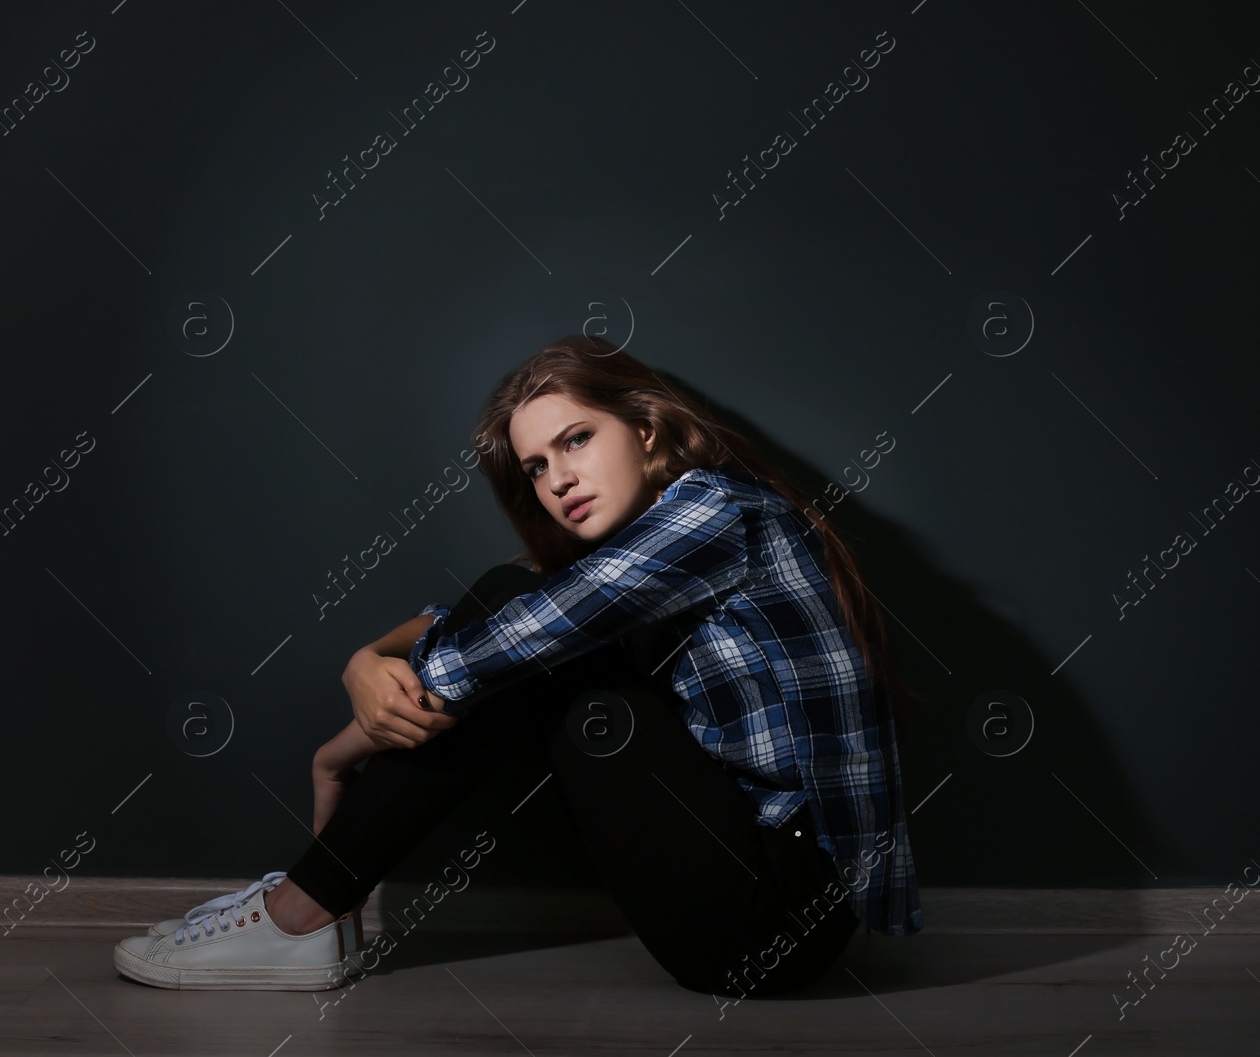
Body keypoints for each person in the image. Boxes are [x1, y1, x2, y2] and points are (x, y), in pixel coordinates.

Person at [113, 335, 923, 997]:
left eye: (576, 440)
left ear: (643, 428)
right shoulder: (650, 546)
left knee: (555, 668)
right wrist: (364, 659)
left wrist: (338, 752)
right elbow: (512, 613)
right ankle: (309, 911)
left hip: (778, 918)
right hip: (737, 881)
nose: (558, 478)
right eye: (536, 466)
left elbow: (513, 637)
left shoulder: (714, 510)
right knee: (526, 620)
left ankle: (303, 912)